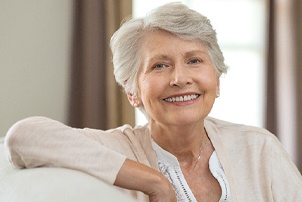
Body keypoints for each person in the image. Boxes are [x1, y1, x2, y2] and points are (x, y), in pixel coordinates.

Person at [4, 2, 302, 202]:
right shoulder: (118, 148)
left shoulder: (259, 148)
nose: (180, 78)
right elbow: (24, 137)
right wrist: (153, 182)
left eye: (194, 60)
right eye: (159, 65)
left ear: (217, 80)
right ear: (131, 91)